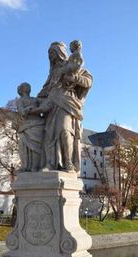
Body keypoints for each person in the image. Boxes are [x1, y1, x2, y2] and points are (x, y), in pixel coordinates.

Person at [37, 41, 93, 173]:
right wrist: (33, 102)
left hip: (67, 103)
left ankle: (68, 162)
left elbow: (88, 82)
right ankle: (51, 163)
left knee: (64, 130)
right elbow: (45, 90)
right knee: (49, 135)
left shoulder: (73, 66)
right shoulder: (53, 73)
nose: (51, 56)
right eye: (49, 53)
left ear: (60, 52)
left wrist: (74, 78)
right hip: (52, 104)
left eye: (53, 52)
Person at [16, 82, 44, 172]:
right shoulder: (20, 100)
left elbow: (44, 106)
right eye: (25, 86)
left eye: (29, 86)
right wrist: (28, 109)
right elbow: (20, 111)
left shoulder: (35, 99)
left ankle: (35, 166)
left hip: (38, 124)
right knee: (28, 147)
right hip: (27, 125)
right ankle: (28, 166)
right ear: (21, 90)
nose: (28, 87)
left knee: (37, 147)